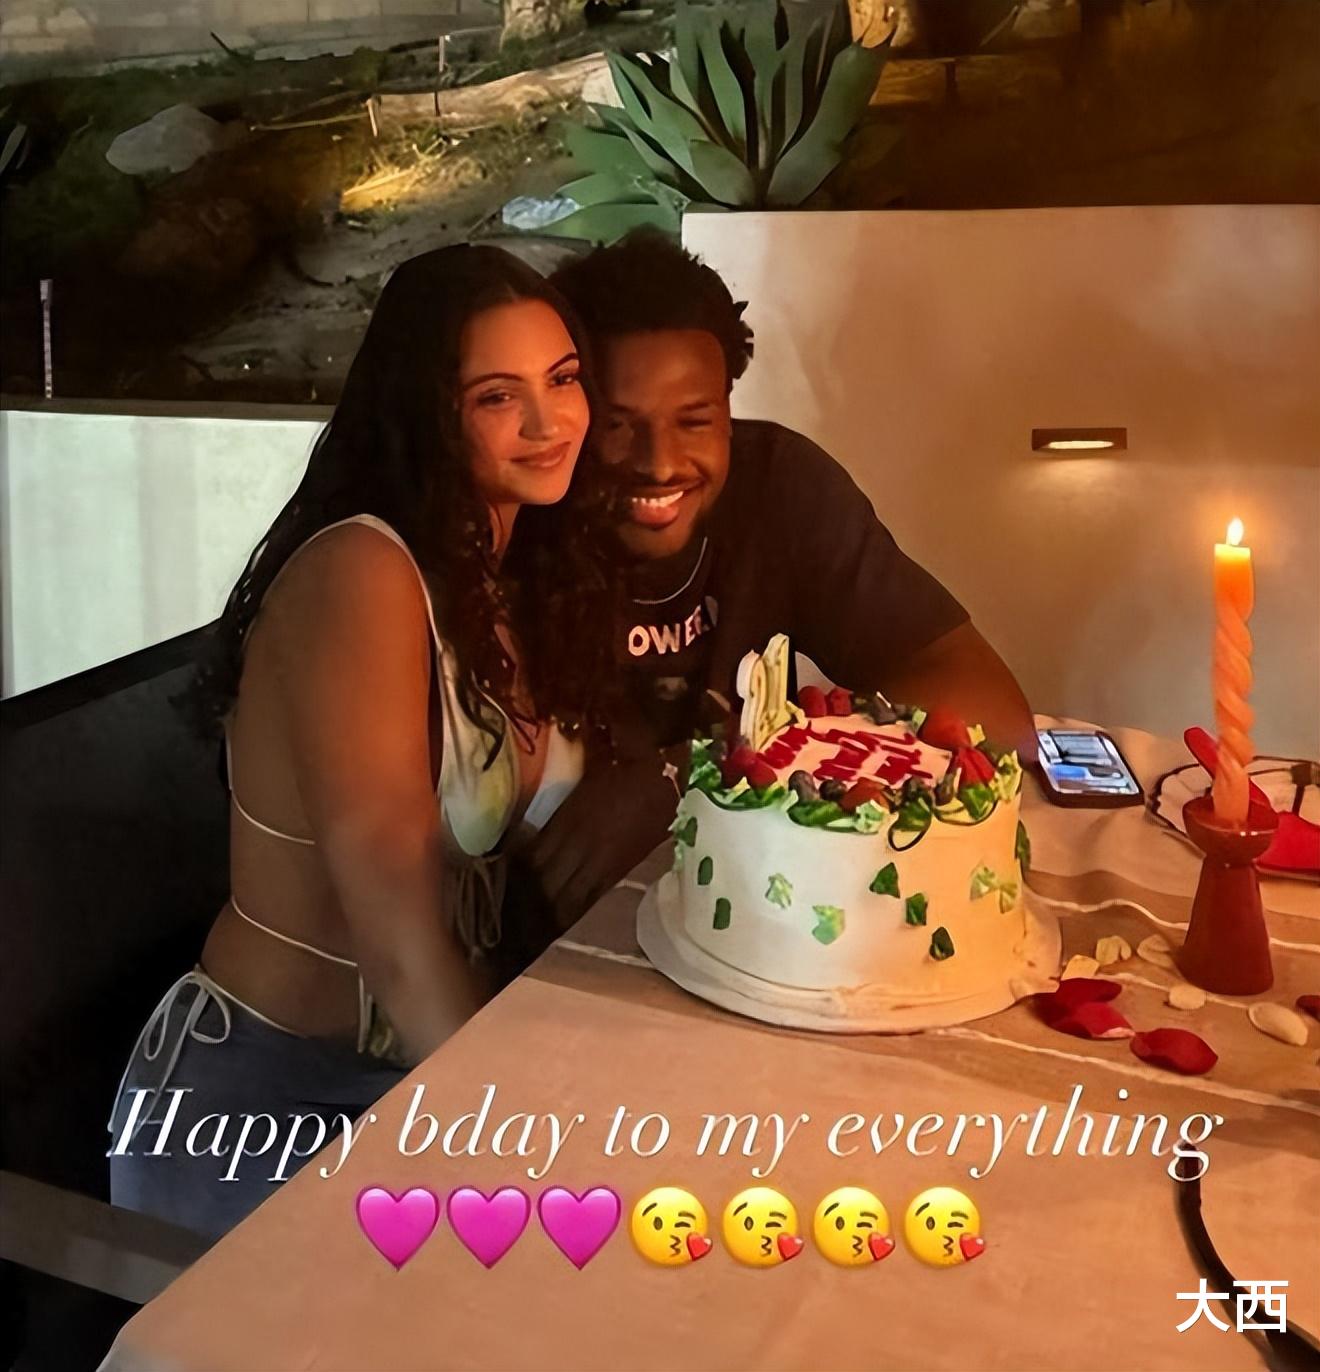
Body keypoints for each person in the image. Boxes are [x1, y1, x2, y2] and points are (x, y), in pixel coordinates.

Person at [107, 244, 614, 1240]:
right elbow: (399, 945)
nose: (550, 422)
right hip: (260, 1102)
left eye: (562, 380)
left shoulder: (514, 573)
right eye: (497, 396)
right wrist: (528, 1140)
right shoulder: (363, 574)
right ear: (427, 410)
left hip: (409, 1078)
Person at [525, 231, 1036, 924]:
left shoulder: (780, 486)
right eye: (617, 425)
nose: (659, 462)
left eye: (695, 420)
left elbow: (996, 713)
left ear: (729, 410)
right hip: (554, 927)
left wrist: (686, 774)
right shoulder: (523, 514)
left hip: (758, 908)